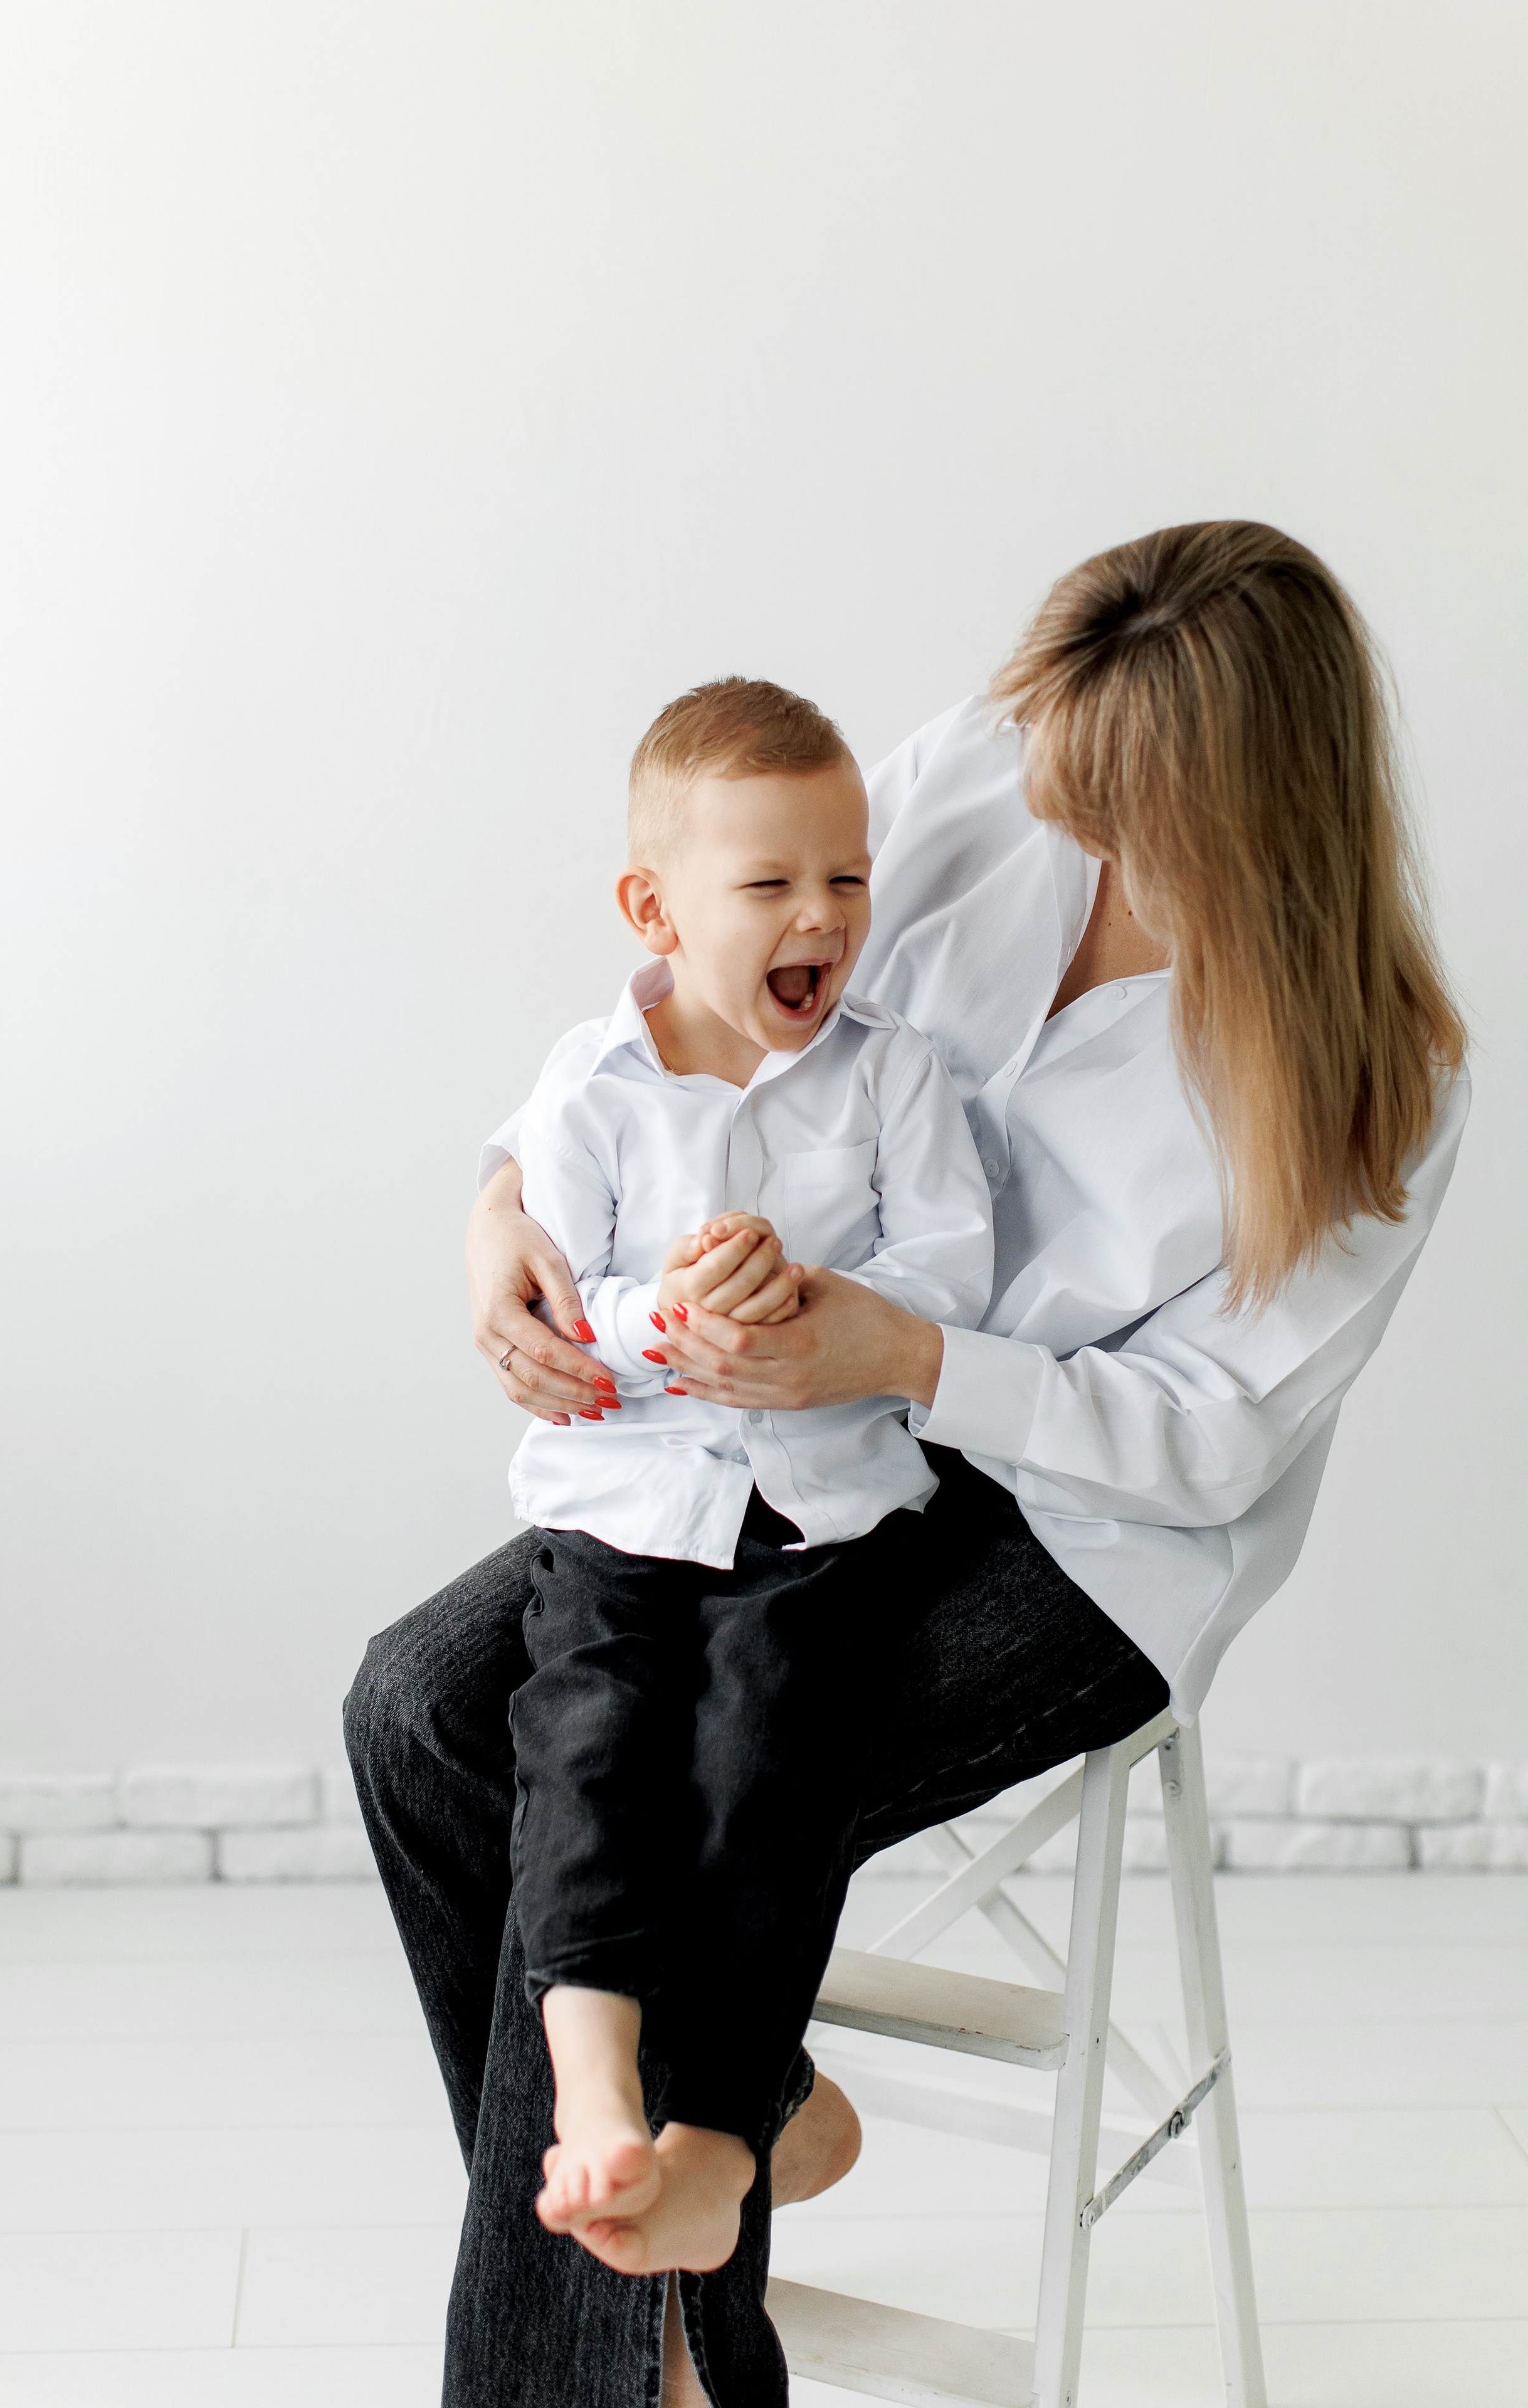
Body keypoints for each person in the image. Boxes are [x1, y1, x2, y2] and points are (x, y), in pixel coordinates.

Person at [347, 522, 1469, 2408]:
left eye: (1140, 826)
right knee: (419, 1708)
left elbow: (1210, 1442)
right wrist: (499, 1211)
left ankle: (649, 2343)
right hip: (788, 1427)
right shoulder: (996, 773)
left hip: (1085, 1533)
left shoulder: (1386, 1080)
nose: (1082, 848)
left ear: (1263, 824)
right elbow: (682, 997)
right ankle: (735, 2152)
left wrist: (914, 1351)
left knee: (679, 1799)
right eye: (1070, 795)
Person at [502, 678, 993, 2274]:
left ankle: (722, 2129)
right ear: (653, 909)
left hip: (818, 1517)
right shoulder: (591, 1088)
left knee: (765, 1759)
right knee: (587, 1749)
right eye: (770, 884)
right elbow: (556, 1296)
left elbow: (949, 1275)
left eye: (845, 879)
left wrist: (815, 1305)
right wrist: (674, 1311)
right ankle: (592, 2100)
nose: (822, 916)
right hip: (627, 1505)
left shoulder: (890, 1074)